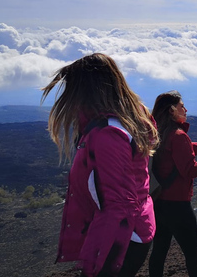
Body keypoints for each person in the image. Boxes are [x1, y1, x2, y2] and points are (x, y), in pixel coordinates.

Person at [43, 53, 158, 277]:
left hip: (121, 239)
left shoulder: (108, 134)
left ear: (86, 90)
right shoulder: (130, 119)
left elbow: (119, 207)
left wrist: (98, 264)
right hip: (133, 231)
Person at [148, 90, 197, 277]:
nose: (186, 109)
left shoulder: (159, 132)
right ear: (172, 110)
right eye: (182, 106)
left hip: (159, 203)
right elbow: (191, 171)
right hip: (179, 206)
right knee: (192, 255)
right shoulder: (178, 135)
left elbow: (185, 148)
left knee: (158, 252)